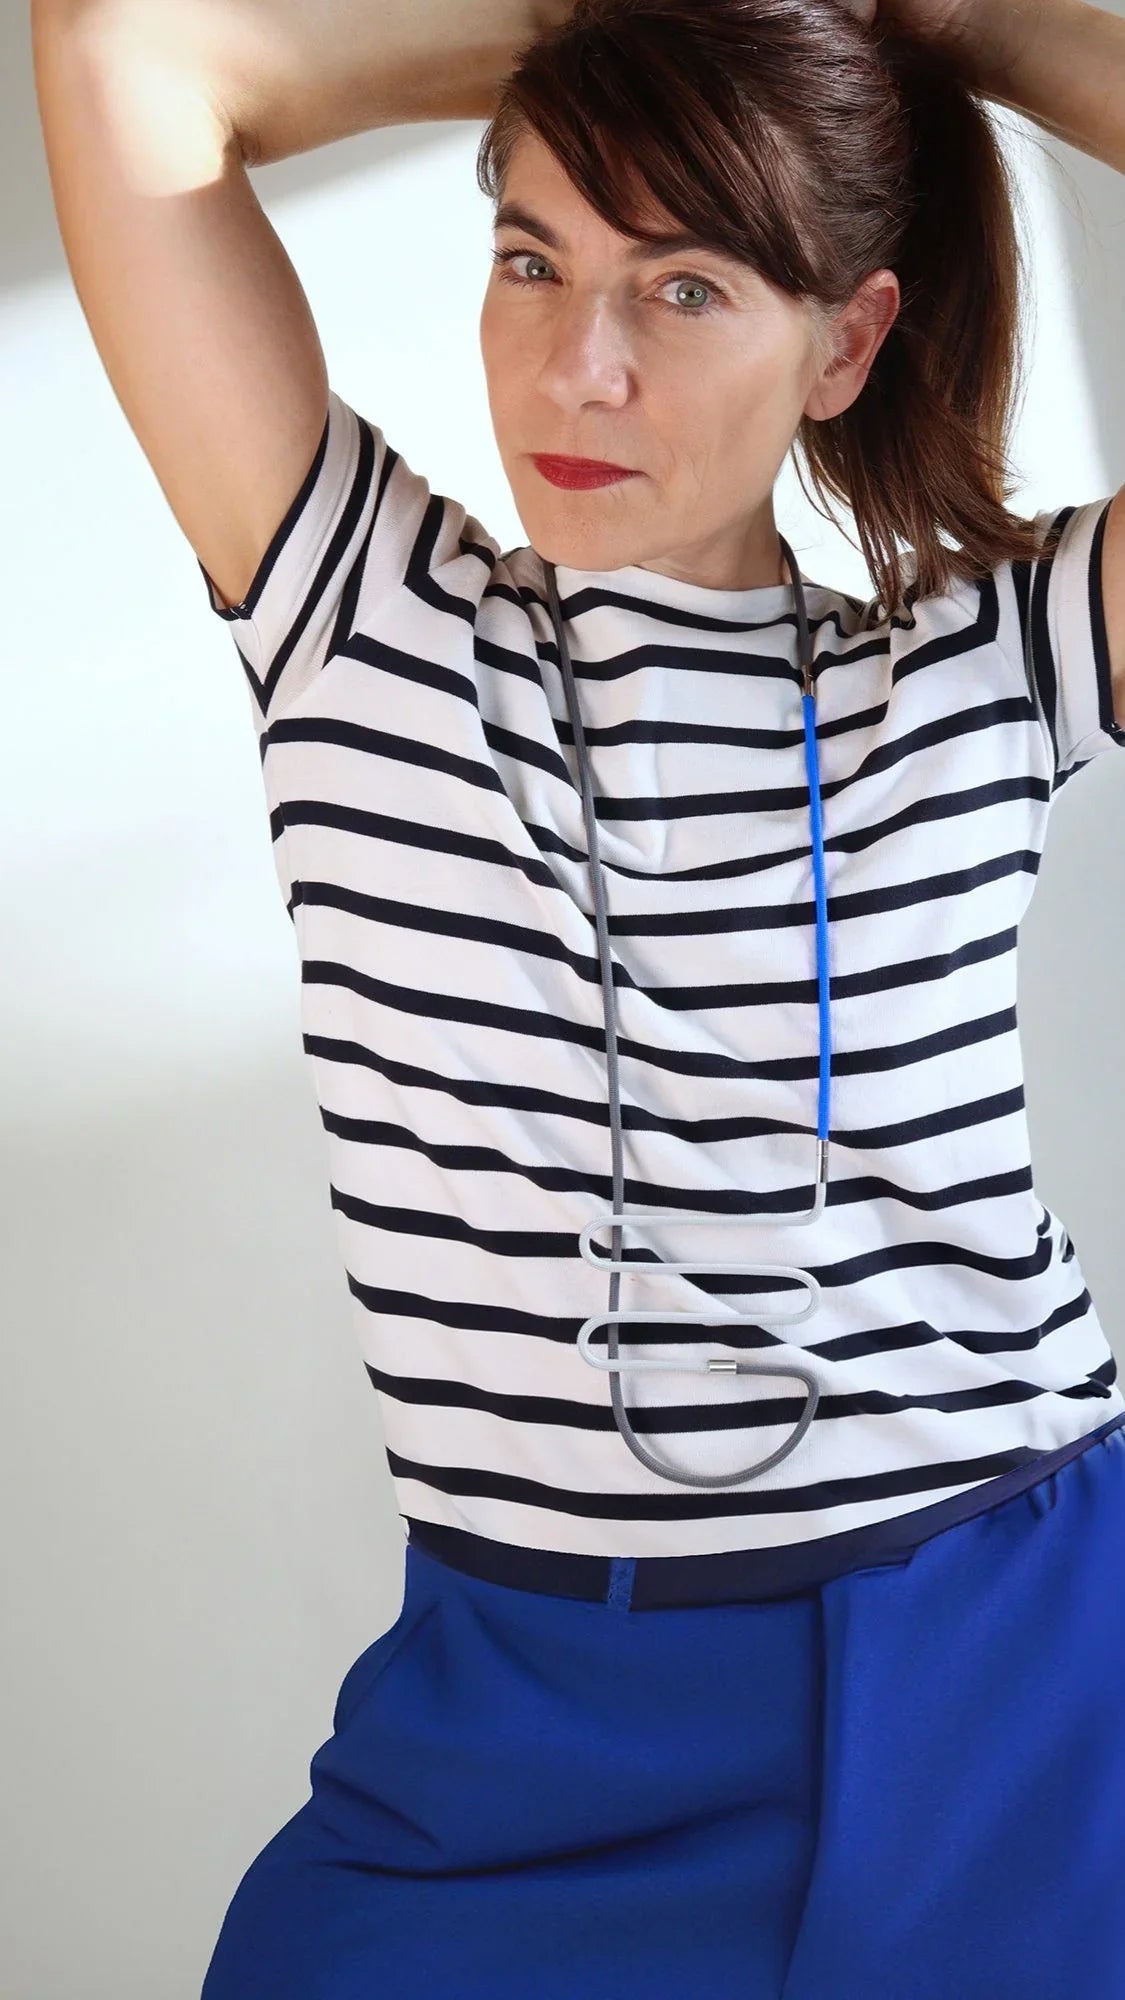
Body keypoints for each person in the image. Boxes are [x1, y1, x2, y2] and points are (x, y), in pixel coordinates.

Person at [33, 0, 1125, 1989]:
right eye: (532, 253)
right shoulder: (360, 623)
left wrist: (945, 28)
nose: (576, 362)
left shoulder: (991, 662)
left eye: (684, 283)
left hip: (1015, 1669)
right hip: (529, 1723)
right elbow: (131, 56)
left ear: (846, 340)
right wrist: (634, 36)